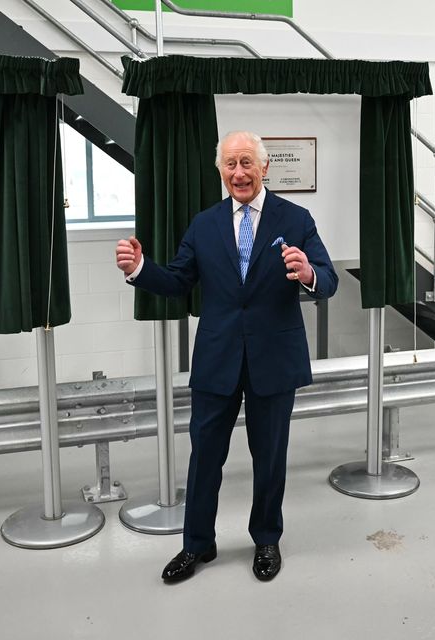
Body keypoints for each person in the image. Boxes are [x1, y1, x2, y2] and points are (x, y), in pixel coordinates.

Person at [115, 131, 338, 584]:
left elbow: (329, 279)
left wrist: (309, 273)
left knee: (270, 456)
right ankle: (197, 544)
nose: (239, 172)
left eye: (247, 163)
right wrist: (140, 269)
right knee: (204, 457)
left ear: (264, 167)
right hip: (217, 359)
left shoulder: (295, 219)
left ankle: (266, 538)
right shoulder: (204, 224)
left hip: (273, 359)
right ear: (220, 171)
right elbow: (178, 280)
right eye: (230, 164)